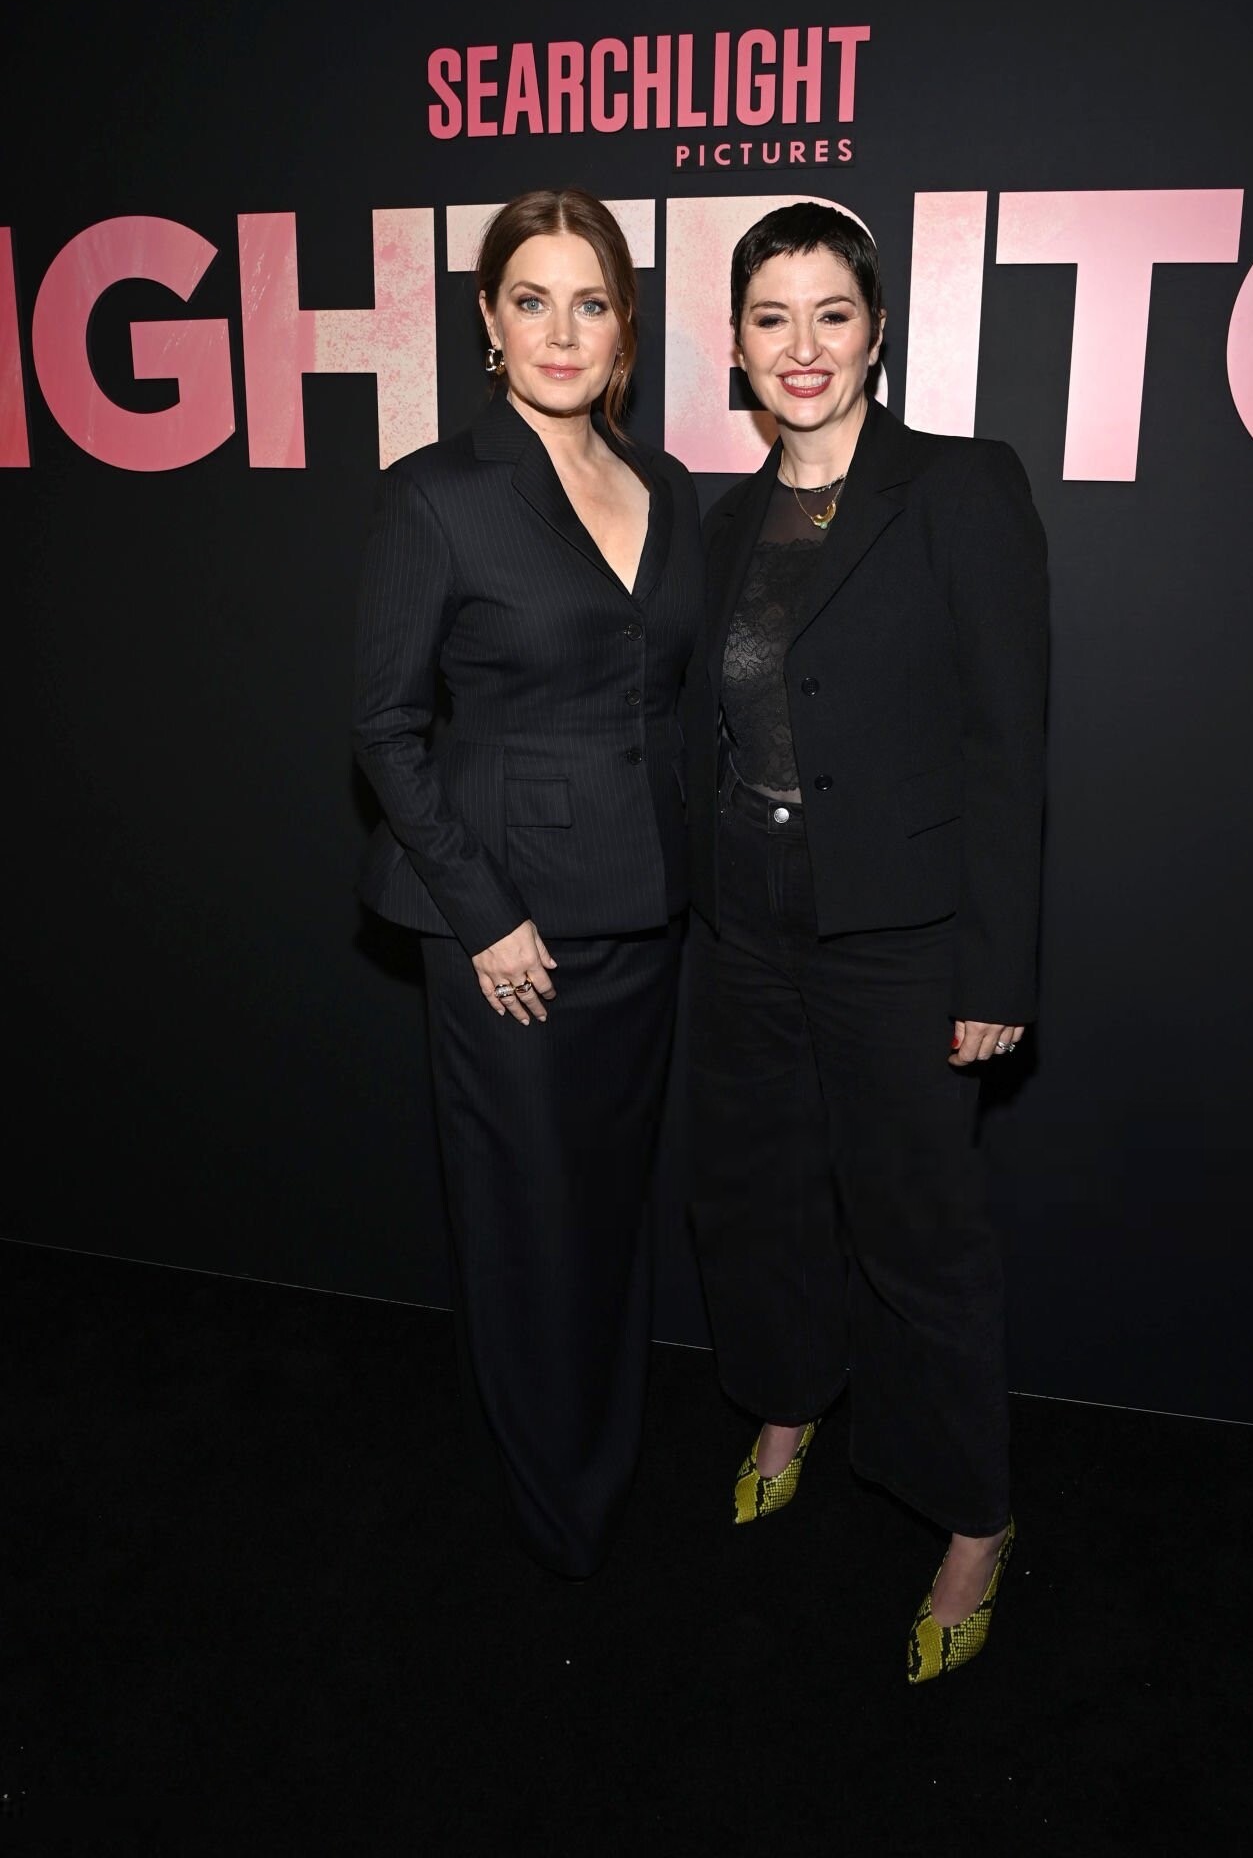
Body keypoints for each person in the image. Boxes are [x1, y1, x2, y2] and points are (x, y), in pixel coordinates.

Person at [684, 202, 1048, 1681]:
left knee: (918, 1234)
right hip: (746, 920)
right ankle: (787, 1403)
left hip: (900, 937)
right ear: (735, 345)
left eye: (830, 314)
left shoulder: (959, 486)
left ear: (876, 331)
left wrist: (995, 968)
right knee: (760, 1199)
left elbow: (1007, 744)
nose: (802, 346)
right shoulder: (720, 524)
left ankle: (972, 1517)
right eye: (771, 318)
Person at [353, 188, 702, 1579]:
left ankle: (601, 1454)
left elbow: (671, 699)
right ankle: (557, 1505)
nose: (563, 331)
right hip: (507, 927)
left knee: (610, 1208)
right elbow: (386, 731)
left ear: (625, 328)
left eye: (591, 302)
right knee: (526, 1218)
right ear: (489, 322)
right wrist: (484, 915)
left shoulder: (667, 486)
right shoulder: (435, 494)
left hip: (644, 909)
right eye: (533, 300)